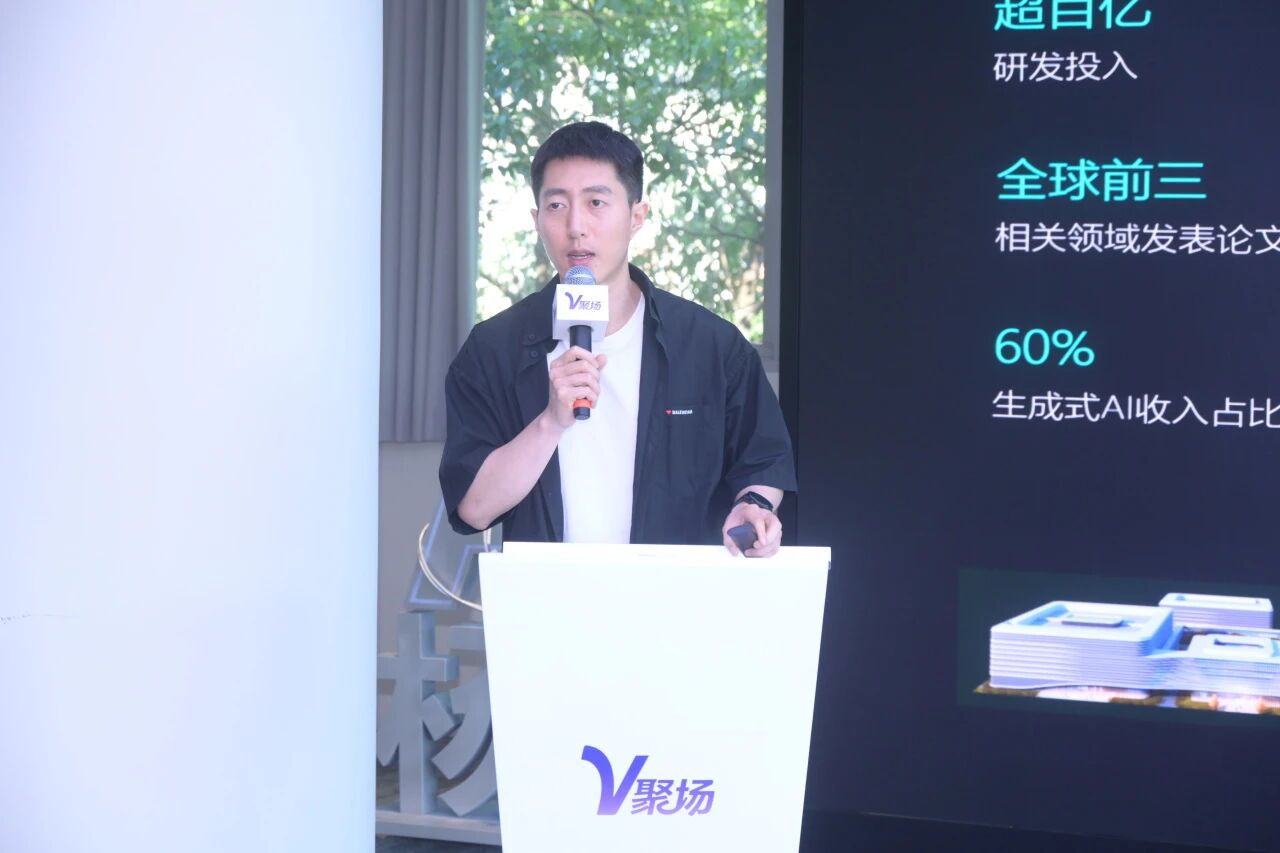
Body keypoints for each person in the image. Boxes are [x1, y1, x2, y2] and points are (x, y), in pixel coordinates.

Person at [439, 121, 795, 556]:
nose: (576, 226)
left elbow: (763, 458)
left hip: (672, 590)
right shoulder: (493, 349)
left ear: (636, 216)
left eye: (596, 203)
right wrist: (551, 421)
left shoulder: (711, 345)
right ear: (536, 220)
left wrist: (753, 504)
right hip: (545, 593)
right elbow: (473, 508)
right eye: (556, 205)